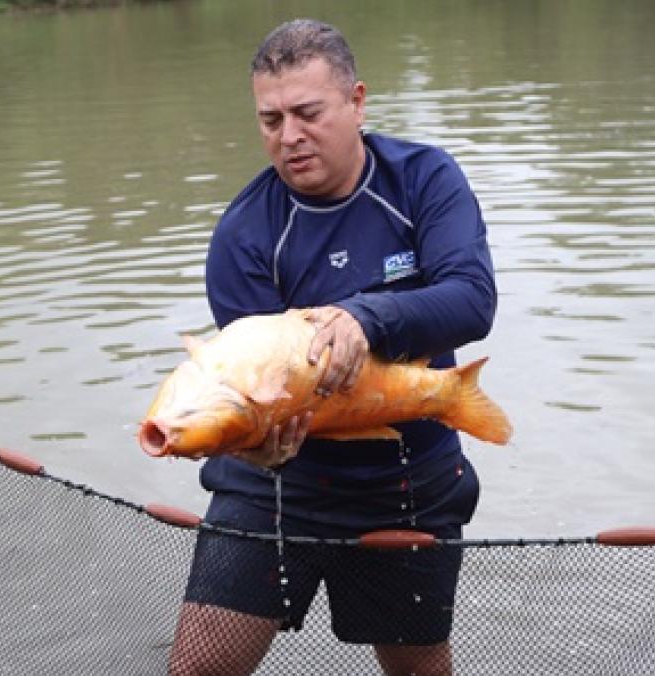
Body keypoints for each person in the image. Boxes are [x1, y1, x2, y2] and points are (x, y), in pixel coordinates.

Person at [167, 19, 497, 676]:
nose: (289, 137)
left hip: (410, 481)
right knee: (195, 670)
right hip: (277, 487)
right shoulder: (243, 237)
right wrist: (253, 442)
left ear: (356, 101)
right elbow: (251, 388)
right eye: (271, 120)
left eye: (308, 113)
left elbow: (471, 302)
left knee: (418, 669)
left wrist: (365, 317)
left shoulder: (424, 181)